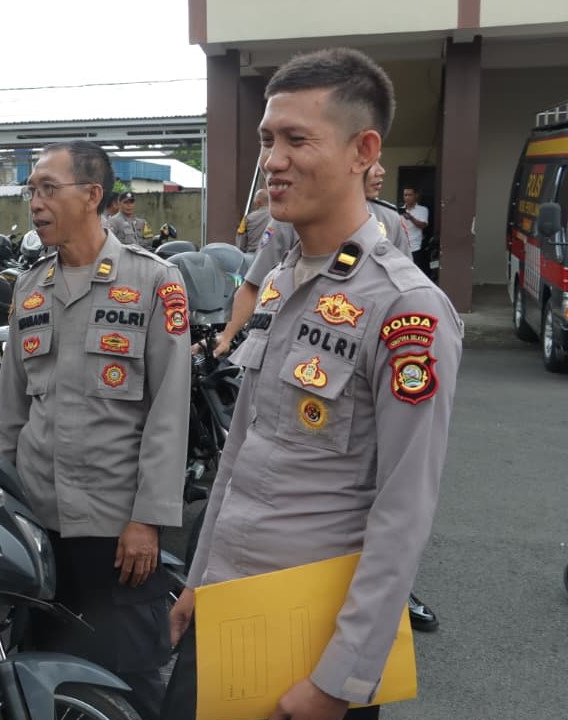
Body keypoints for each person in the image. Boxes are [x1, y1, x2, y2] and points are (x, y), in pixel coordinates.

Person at [162, 48, 462, 720]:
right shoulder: (279, 279)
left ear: (364, 150)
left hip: (309, 640)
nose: (273, 159)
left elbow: (404, 510)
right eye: (269, 139)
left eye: (298, 139)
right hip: (227, 607)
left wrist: (339, 680)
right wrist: (198, 581)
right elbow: (238, 454)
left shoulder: (405, 309)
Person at [0, 140, 191, 719]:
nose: (35, 202)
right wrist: (6, 512)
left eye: (49, 188)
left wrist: (148, 519)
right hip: (38, 523)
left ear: (92, 196)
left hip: (115, 527)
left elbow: (168, 410)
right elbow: (10, 415)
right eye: (31, 190)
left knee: (129, 678)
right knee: (42, 674)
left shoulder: (154, 282)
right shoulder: (28, 289)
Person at [212, 158, 411, 358]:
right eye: (371, 164)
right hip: (298, 345)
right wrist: (227, 335)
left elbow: (405, 294)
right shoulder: (292, 217)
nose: (380, 171)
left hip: (364, 346)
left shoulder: (391, 221)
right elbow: (253, 284)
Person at [402, 186, 430, 273]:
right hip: (400, 246)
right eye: (405, 195)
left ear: (416, 196)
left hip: (415, 246)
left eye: (410, 195)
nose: (407, 197)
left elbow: (423, 225)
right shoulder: (400, 209)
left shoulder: (422, 210)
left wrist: (411, 218)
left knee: (414, 271)